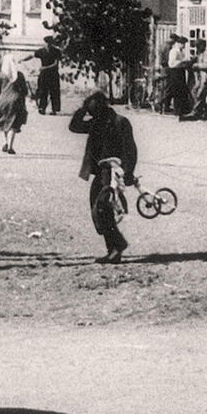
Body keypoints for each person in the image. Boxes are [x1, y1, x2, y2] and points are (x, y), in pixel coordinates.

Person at [71, 91, 138, 263]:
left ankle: (116, 247)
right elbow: (74, 126)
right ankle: (115, 246)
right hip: (101, 172)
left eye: (92, 109)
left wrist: (128, 172)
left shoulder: (120, 122)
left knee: (101, 208)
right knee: (98, 208)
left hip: (112, 173)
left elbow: (130, 150)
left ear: (102, 107)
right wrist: (82, 110)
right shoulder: (96, 122)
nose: (91, 113)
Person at [0, 53, 29, 155]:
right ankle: (10, 146)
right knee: (13, 123)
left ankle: (5, 142)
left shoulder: (0, 75)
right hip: (16, 101)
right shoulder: (20, 75)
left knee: (4, 121)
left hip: (3, 101)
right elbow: (25, 91)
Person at [188, 38, 207, 121]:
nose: (197, 48)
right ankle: (203, 109)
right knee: (195, 92)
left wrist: (197, 65)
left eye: (198, 46)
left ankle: (197, 112)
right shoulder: (201, 54)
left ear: (203, 46)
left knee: (200, 95)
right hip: (202, 78)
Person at [33, 35, 63, 116]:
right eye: (47, 42)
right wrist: (22, 60)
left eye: (50, 43)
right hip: (44, 75)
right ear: (45, 42)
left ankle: (54, 110)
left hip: (53, 74)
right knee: (43, 91)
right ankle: (42, 108)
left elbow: (56, 64)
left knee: (54, 91)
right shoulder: (41, 51)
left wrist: (44, 68)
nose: (48, 44)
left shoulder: (56, 51)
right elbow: (32, 55)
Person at [162, 35, 190, 116]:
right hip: (175, 72)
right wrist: (182, 61)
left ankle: (181, 109)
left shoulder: (181, 52)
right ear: (178, 43)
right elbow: (171, 64)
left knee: (182, 90)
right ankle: (176, 110)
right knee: (176, 90)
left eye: (184, 44)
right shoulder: (174, 51)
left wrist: (185, 63)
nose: (184, 45)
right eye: (182, 43)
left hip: (181, 72)